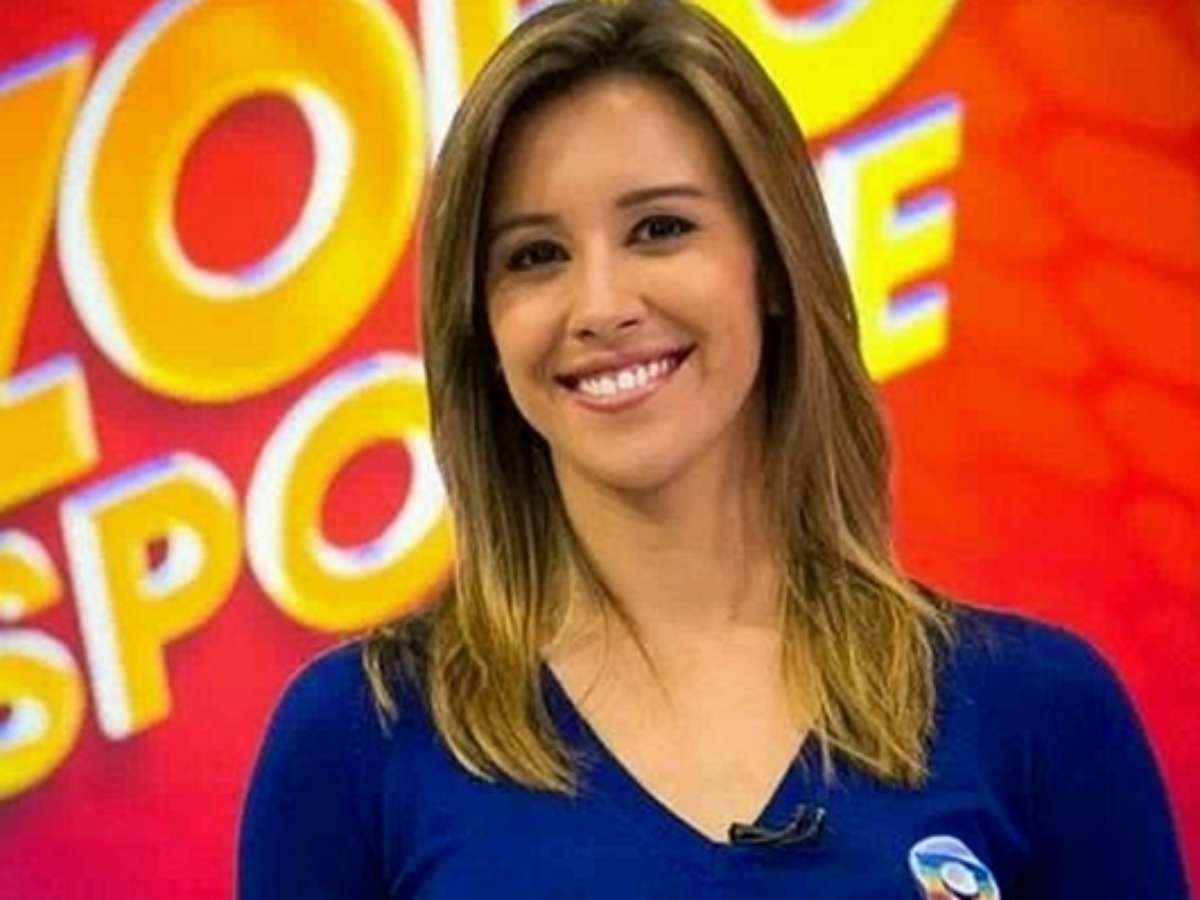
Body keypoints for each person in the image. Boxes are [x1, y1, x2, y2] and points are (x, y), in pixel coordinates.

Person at [237, 2, 1188, 897]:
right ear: (480, 326)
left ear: (770, 263)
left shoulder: (1040, 716)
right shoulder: (358, 740)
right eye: (534, 256)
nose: (601, 305)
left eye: (660, 229)